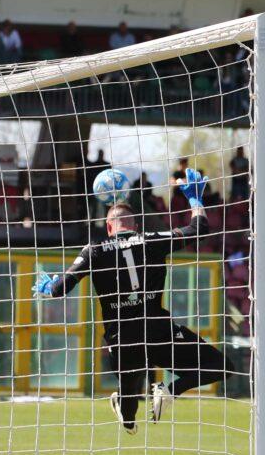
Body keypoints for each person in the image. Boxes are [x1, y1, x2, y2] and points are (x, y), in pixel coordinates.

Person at [33, 169, 228, 434]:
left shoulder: (94, 250)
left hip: (121, 341)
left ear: (109, 226)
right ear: (135, 226)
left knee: (129, 416)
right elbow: (198, 230)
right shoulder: (150, 241)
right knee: (222, 367)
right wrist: (194, 199)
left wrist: (47, 286)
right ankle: (171, 389)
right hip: (158, 332)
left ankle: (131, 406)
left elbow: (58, 289)